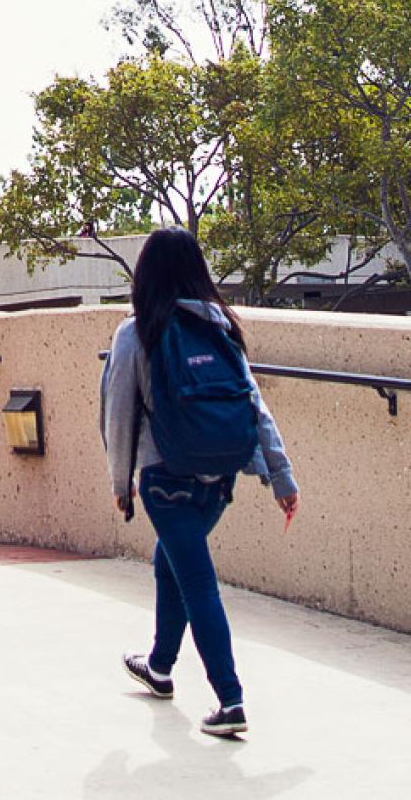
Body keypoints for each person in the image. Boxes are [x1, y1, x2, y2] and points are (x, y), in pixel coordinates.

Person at [100, 227, 299, 738]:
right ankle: (160, 666)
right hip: (219, 480)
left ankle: (230, 700)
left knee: (197, 584)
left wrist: (120, 482)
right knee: (170, 562)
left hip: (166, 481)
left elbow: (117, 415)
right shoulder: (220, 325)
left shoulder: (137, 331)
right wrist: (279, 475)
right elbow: (254, 405)